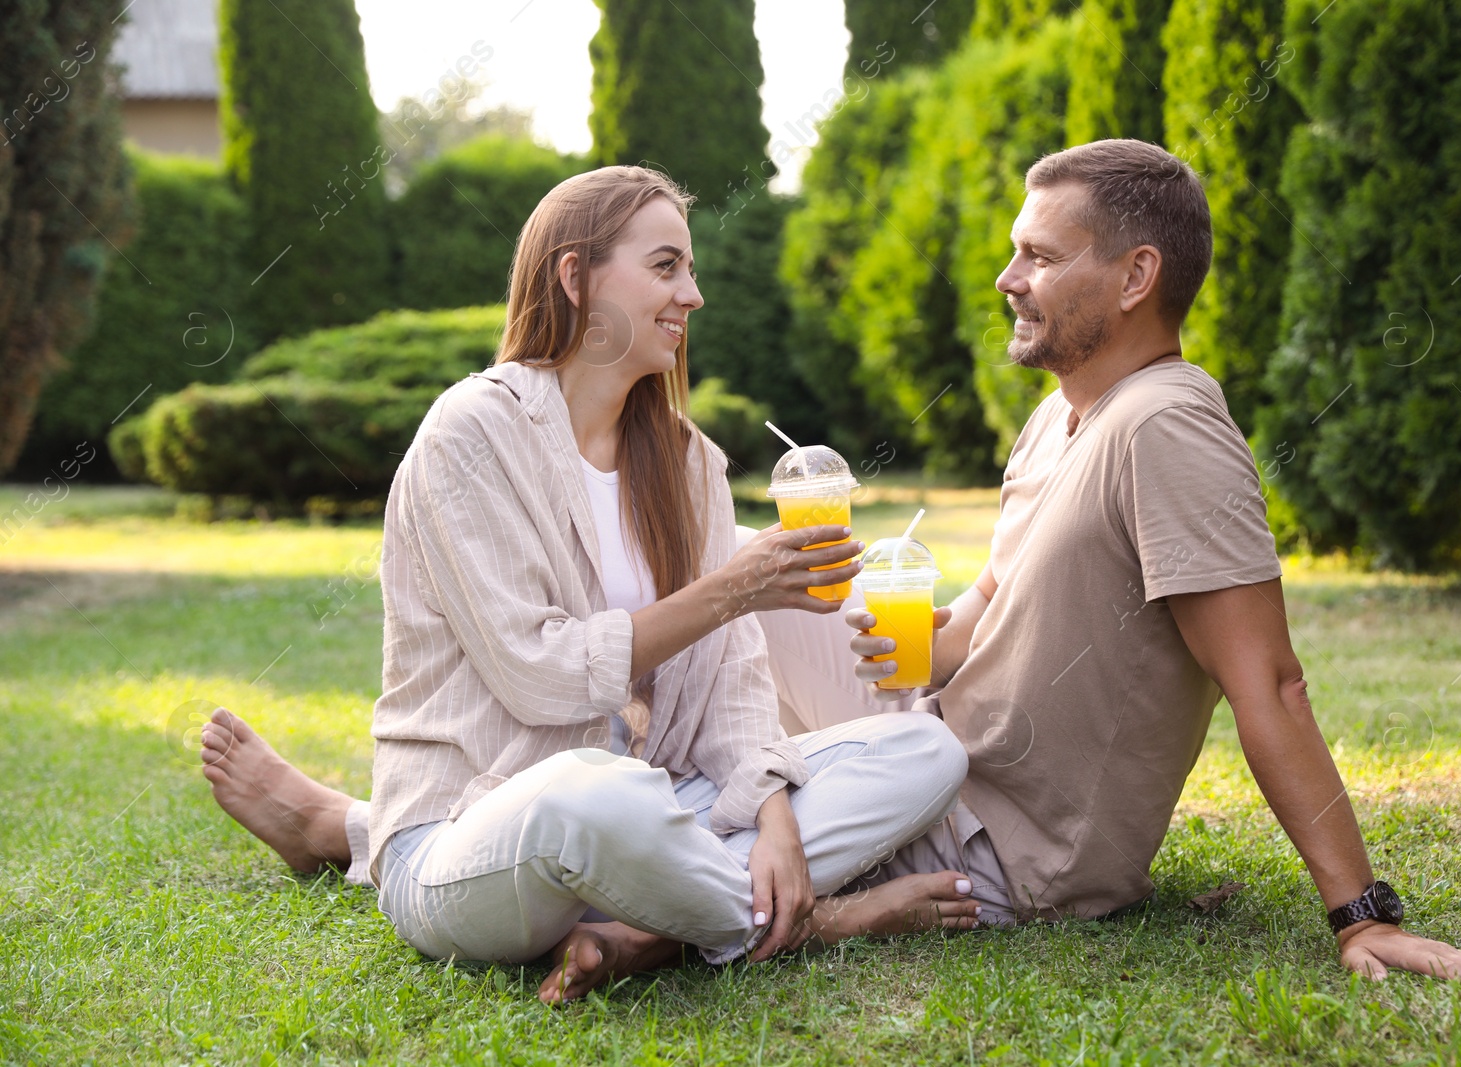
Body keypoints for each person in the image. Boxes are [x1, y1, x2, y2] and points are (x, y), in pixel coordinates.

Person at [207, 141, 1461, 990]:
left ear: (1136, 276)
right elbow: (968, 630)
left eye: (1037, 255)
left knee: (742, 675)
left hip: (1001, 828)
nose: (1006, 275)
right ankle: (444, 840)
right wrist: (888, 632)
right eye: (1013, 247)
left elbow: (1269, 681)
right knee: (740, 630)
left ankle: (431, 846)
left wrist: (1362, 907)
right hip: (900, 738)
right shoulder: (1063, 416)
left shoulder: (1170, 424)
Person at [201, 165, 977, 1005]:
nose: (695, 294)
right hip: (480, 827)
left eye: (689, 268)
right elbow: (537, 673)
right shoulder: (472, 435)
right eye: (666, 266)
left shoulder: (687, 462)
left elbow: (733, 682)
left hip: (659, 802)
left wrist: (777, 814)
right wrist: (732, 589)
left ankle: (645, 924)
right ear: (575, 278)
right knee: (598, 795)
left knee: (923, 750)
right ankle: (819, 920)